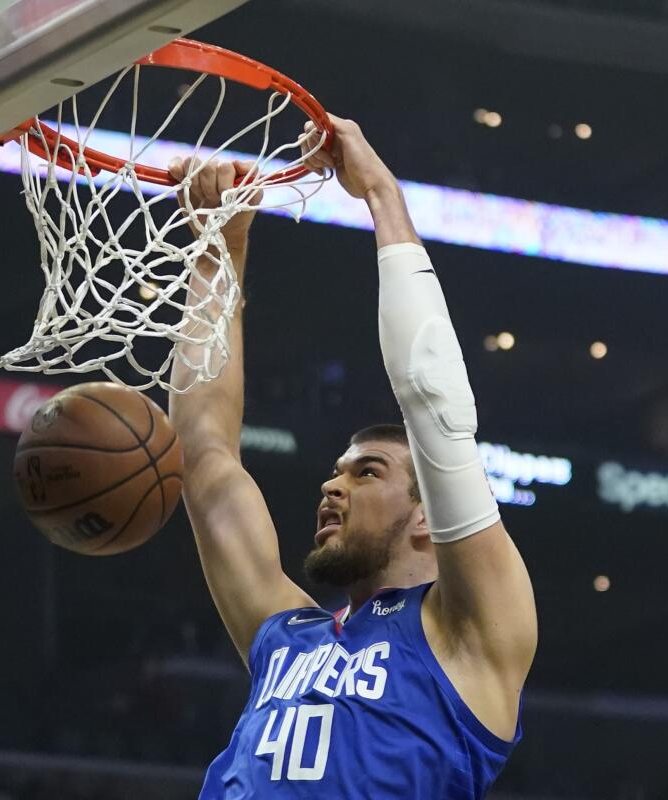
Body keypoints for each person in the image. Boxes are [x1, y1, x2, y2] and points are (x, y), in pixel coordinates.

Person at [166, 116, 537, 798]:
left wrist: (379, 194)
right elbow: (202, 457)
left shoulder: (474, 636)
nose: (332, 486)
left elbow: (433, 401)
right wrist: (219, 252)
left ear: (429, 516)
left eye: (366, 472)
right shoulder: (289, 635)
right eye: (336, 471)